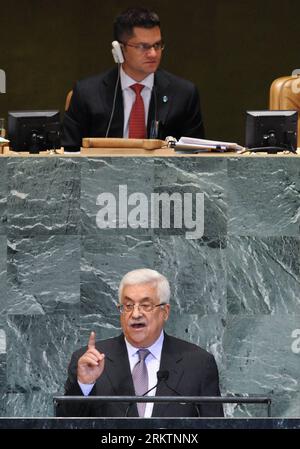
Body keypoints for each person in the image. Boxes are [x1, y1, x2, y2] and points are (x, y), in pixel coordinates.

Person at [61, 268, 224, 417]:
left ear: (165, 312)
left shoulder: (198, 364)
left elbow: (214, 426)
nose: (136, 313)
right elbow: (64, 423)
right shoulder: (89, 361)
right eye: (128, 306)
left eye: (145, 305)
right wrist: (84, 385)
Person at [62, 7, 205, 151]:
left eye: (157, 45)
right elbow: (68, 153)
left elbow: (196, 158)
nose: (153, 54)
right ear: (120, 49)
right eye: (143, 47)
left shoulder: (183, 94)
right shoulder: (87, 93)